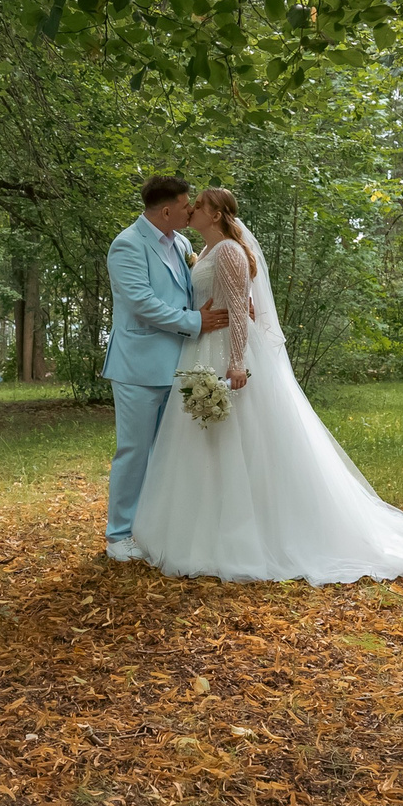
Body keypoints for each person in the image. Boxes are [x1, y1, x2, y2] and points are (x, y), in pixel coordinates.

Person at [128, 187, 403, 583]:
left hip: (226, 350)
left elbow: (242, 313)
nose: (191, 210)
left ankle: (246, 533)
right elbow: (218, 300)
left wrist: (238, 362)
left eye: (199, 206)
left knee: (238, 438)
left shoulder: (228, 251)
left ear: (216, 215)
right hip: (201, 346)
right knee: (204, 439)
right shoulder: (206, 252)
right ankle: (200, 528)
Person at [101, 175, 231, 560]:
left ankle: (152, 527)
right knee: (135, 450)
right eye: (187, 203)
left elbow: (193, 290)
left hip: (181, 363)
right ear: (167, 210)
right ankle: (118, 535)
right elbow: (141, 302)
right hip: (138, 367)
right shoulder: (126, 245)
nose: (191, 209)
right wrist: (195, 322)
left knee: (167, 453)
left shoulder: (183, 243)